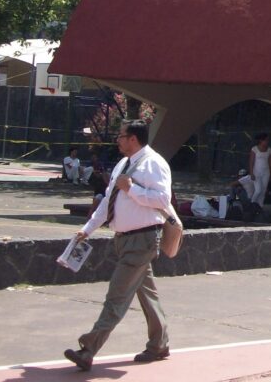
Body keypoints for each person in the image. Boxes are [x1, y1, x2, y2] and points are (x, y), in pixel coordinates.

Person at [63, 121, 173, 371]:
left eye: (121, 136)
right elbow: (108, 201)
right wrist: (87, 229)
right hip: (124, 240)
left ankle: (89, 348)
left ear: (133, 139)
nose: (118, 140)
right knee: (147, 295)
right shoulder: (124, 164)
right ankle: (160, 344)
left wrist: (132, 189)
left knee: (117, 295)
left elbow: (163, 200)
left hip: (142, 239)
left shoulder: (154, 163)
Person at [248, 133, 271, 207]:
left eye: (267, 140)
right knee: (258, 190)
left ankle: (260, 206)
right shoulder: (254, 149)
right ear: (260, 140)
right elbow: (251, 162)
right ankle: (252, 204)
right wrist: (251, 173)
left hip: (266, 173)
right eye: (265, 140)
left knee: (263, 191)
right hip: (256, 173)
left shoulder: (269, 150)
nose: (267, 142)